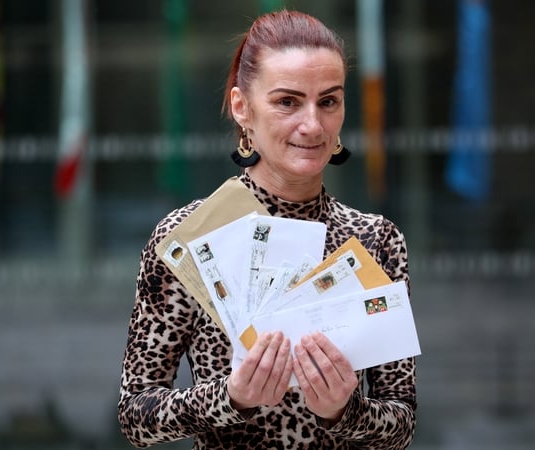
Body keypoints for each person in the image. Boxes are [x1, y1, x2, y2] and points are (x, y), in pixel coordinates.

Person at [118, 9, 416, 449]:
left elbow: (402, 424)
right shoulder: (189, 236)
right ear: (243, 107)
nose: (312, 125)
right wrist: (230, 398)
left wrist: (343, 411)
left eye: (328, 102)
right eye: (287, 102)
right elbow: (136, 417)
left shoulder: (375, 239)